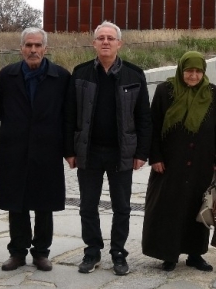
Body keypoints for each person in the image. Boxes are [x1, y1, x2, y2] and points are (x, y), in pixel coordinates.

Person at [65, 20, 152, 276]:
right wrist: (69, 150)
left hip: (121, 153)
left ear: (119, 43)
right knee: (88, 206)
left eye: (110, 38)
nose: (105, 42)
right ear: (94, 43)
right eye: (100, 38)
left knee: (122, 207)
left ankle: (118, 253)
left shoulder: (134, 75)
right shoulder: (80, 73)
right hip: (89, 152)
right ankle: (92, 252)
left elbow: (144, 117)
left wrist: (141, 153)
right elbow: (69, 115)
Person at [0, 28, 70, 272]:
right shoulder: (7, 75)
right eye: (28, 45)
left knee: (44, 203)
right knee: (17, 202)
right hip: (15, 148)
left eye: (37, 45)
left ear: (45, 48)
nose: (33, 50)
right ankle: (17, 252)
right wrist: (17, 123)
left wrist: (68, 149)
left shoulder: (61, 76)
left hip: (48, 148)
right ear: (21, 48)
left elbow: (68, 115)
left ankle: (41, 252)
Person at [142, 51, 216, 272]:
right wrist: (156, 157)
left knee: (198, 209)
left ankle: (195, 254)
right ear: (181, 70)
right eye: (189, 71)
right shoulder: (166, 91)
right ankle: (168, 254)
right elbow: (152, 126)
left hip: (202, 163)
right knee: (167, 208)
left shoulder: (213, 93)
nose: (193, 75)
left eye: (198, 71)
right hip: (170, 163)